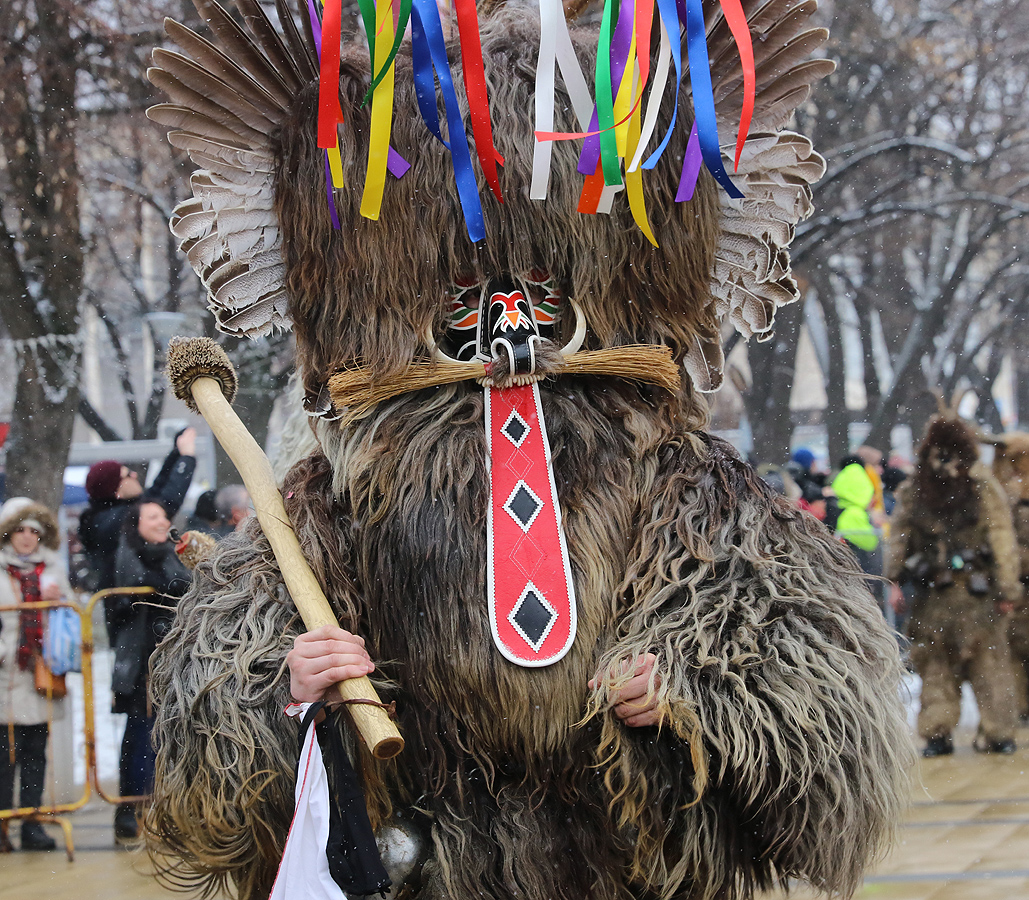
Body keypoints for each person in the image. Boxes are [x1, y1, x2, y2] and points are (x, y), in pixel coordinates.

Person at [886, 416, 1021, 757]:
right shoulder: (981, 484)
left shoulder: (916, 486)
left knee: (935, 667)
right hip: (978, 593)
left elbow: (899, 537)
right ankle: (999, 733)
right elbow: (1002, 538)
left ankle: (937, 733)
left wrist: (894, 580)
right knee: (990, 666)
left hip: (933, 592)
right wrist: (1008, 589)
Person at [109, 500, 190, 843]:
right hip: (140, 663)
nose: (162, 521)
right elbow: (125, 600)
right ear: (137, 523)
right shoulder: (126, 553)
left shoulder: (175, 553)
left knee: (172, 738)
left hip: (172, 662)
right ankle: (131, 807)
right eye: (153, 516)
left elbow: (183, 585)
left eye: (163, 516)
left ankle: (169, 809)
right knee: (140, 738)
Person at [0, 498, 74, 852]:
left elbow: (73, 617)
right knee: (3, 755)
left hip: (40, 673)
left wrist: (59, 602)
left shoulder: (53, 568)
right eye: (21, 530)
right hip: (5, 676)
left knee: (34, 751)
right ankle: (1, 825)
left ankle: (32, 822)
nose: (28, 538)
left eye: (34, 531)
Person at [78, 428, 196, 642]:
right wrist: (187, 459)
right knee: (140, 672)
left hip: (135, 615)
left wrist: (176, 452)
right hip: (134, 620)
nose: (134, 474)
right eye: (127, 474)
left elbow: (157, 491)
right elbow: (167, 500)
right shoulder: (114, 520)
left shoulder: (108, 515)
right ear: (116, 489)